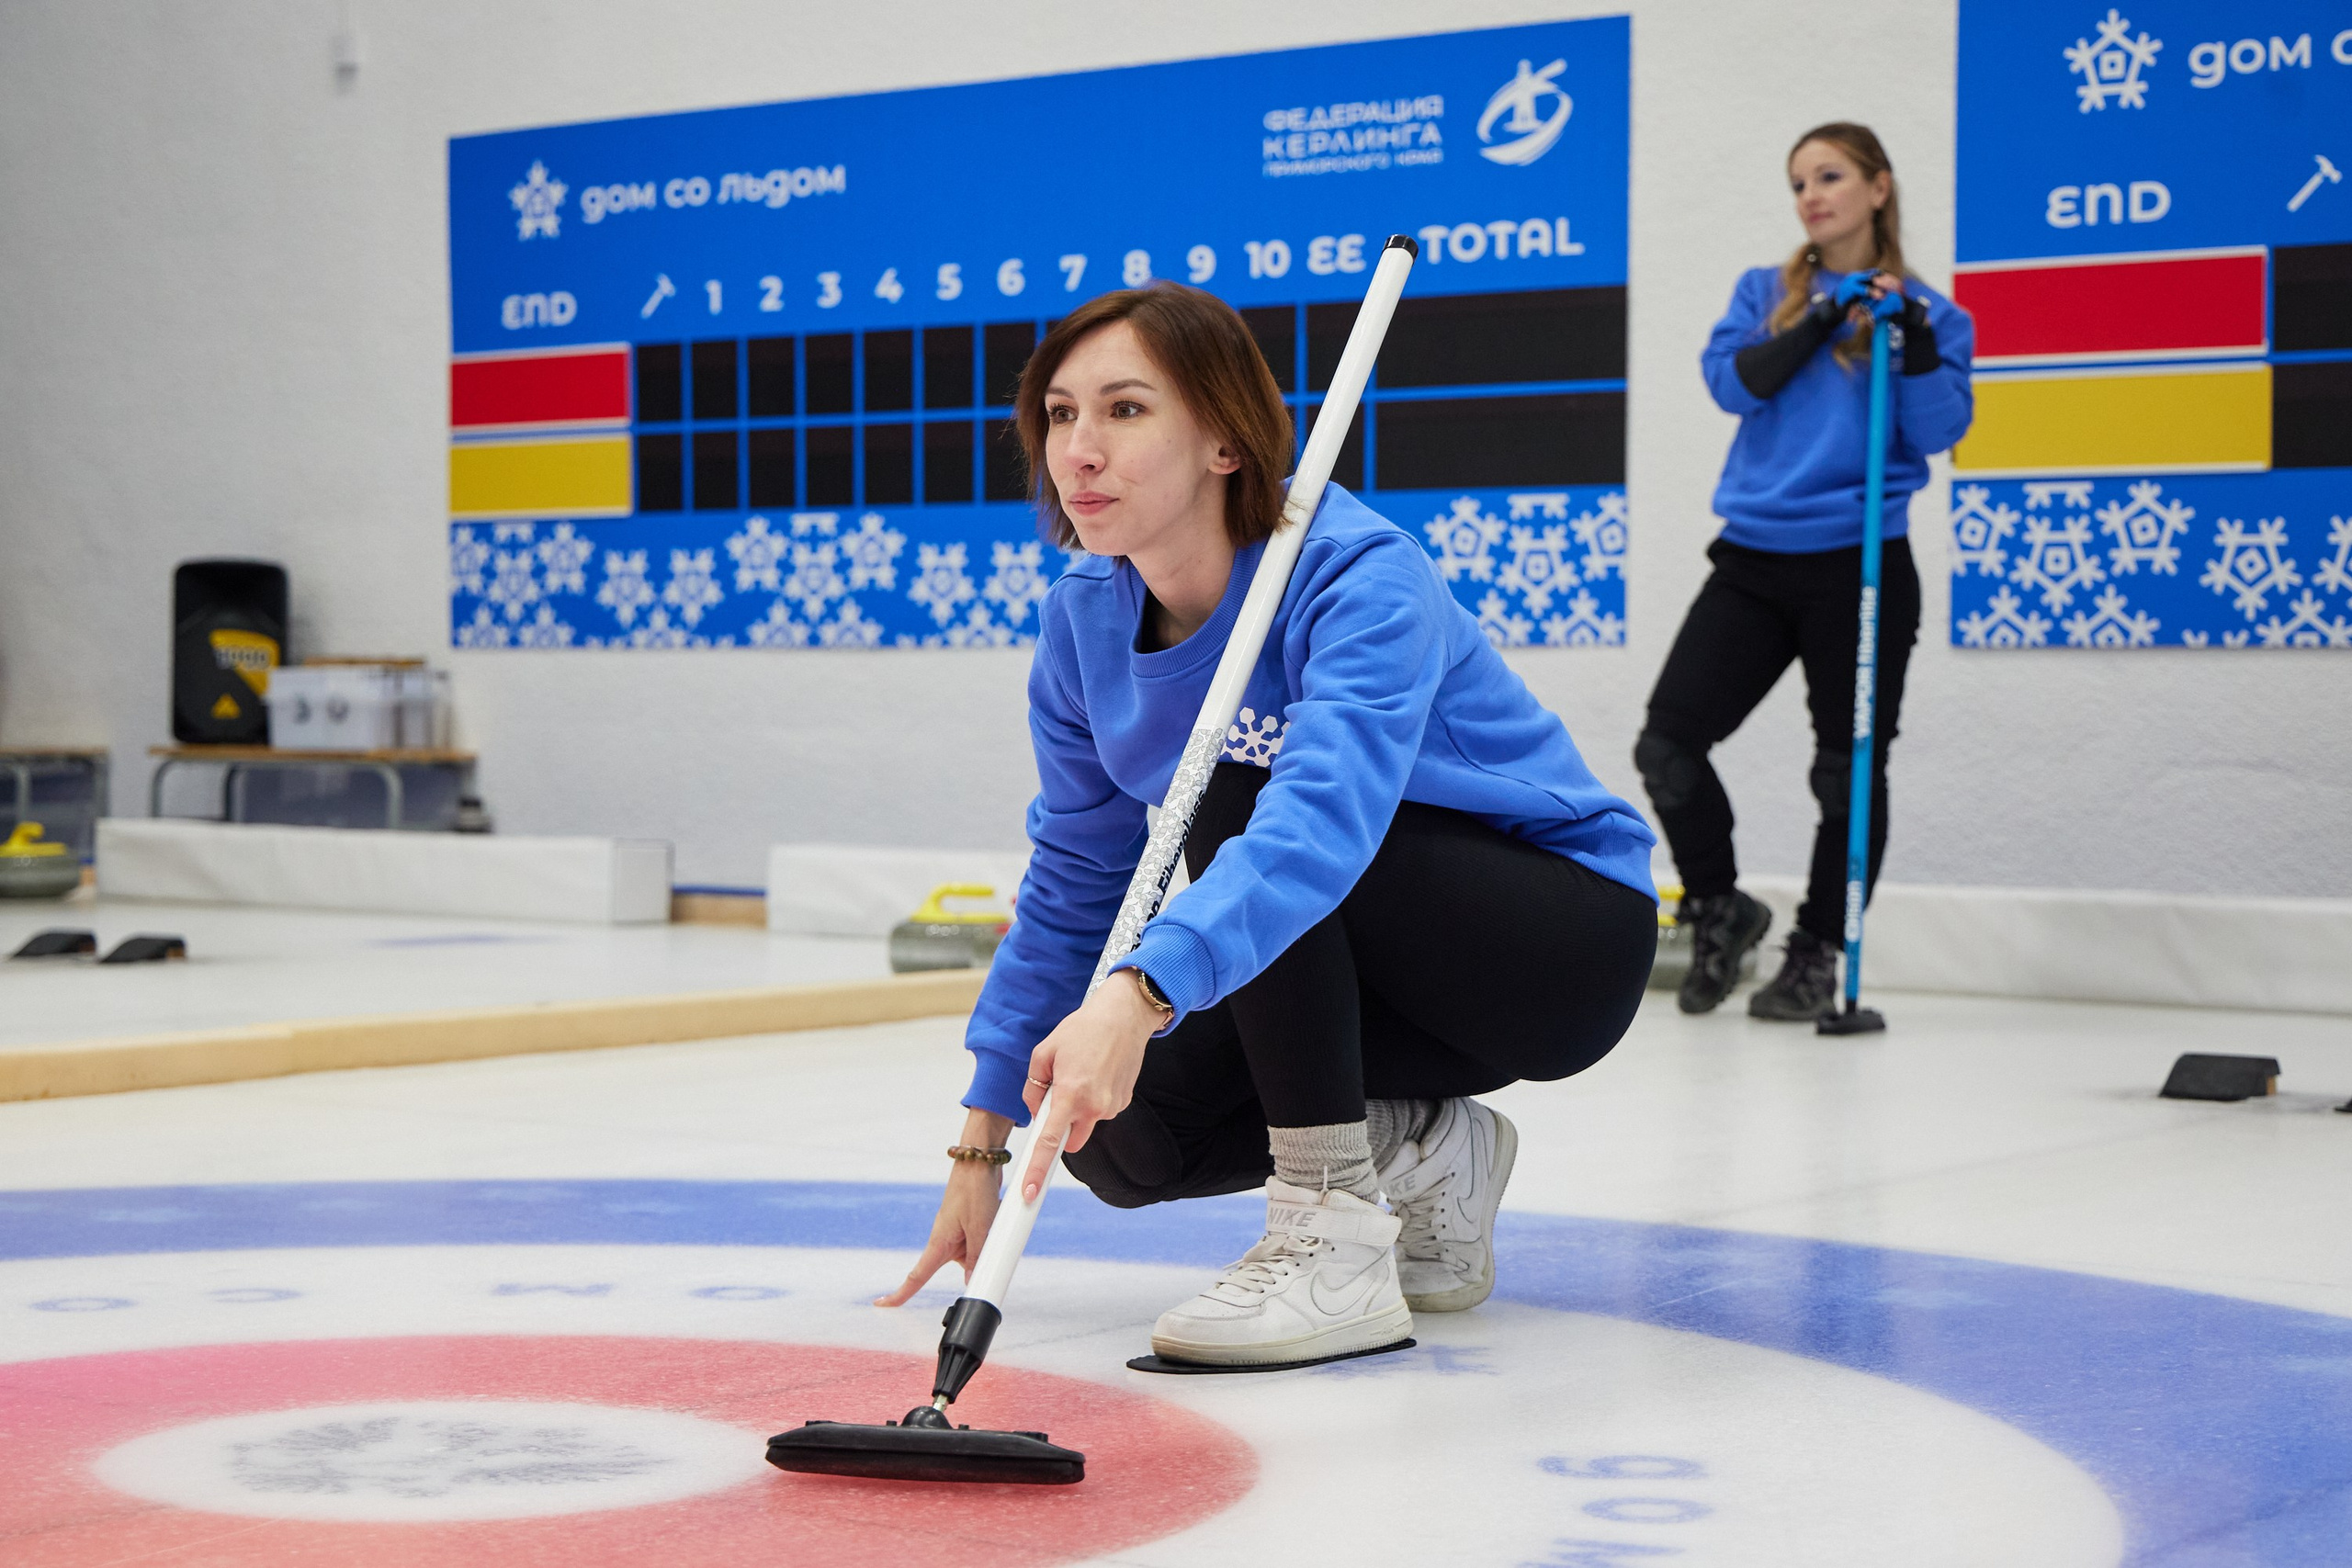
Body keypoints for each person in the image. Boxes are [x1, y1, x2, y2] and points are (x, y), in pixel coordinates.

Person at [876, 281, 1658, 1367]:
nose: (1080, 449)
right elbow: (1077, 876)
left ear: (1225, 443)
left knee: (1243, 781)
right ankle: (1426, 1144)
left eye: (1126, 410)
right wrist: (984, 1139)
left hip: (1553, 942)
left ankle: (1331, 1233)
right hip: (1356, 960)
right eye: (1059, 415)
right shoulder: (1081, 621)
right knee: (1114, 1130)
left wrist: (1140, 993)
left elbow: (1318, 827)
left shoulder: (1353, 571)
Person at [1635, 121, 1973, 1021]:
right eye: (1797, 183)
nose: (1810, 196)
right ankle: (1717, 907)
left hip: (1859, 560)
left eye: (1829, 176)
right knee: (1667, 746)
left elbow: (1938, 434)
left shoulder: (1934, 315)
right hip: (1754, 556)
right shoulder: (1764, 293)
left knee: (1846, 771)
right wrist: (1826, 313)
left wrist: (1915, 341)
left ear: (1878, 187)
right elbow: (1733, 385)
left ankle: (1818, 952)